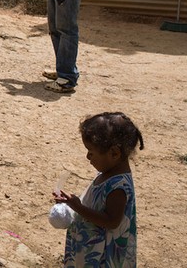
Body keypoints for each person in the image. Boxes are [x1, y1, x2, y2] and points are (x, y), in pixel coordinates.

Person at [53, 112, 144, 267]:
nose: (88, 157)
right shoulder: (107, 174)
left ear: (114, 153)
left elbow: (112, 221)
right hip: (91, 251)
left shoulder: (118, 187)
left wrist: (78, 207)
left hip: (102, 258)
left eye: (91, 152)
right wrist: (72, 205)